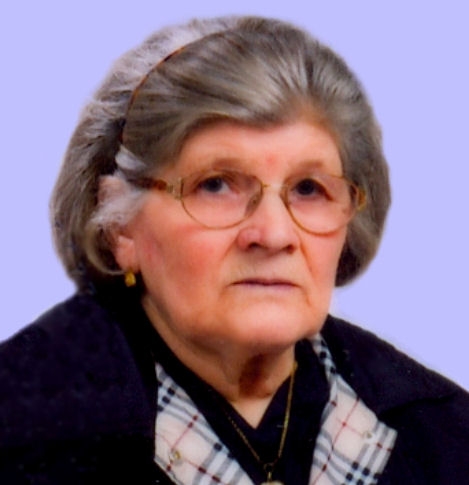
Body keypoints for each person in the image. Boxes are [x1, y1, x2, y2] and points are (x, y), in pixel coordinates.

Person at [1, 15, 468, 485]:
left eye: (308, 188)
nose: (274, 234)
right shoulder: (20, 433)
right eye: (215, 185)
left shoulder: (446, 434)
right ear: (120, 224)